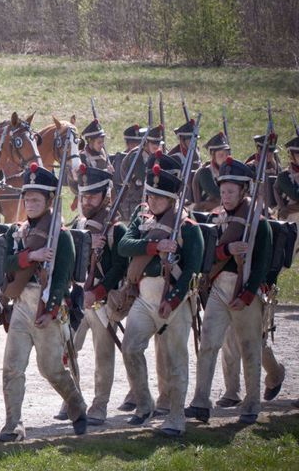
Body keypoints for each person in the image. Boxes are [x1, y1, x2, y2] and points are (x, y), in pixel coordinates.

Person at [0, 162, 87, 442]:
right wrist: (29, 257)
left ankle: (77, 406)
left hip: (47, 306)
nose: (30, 203)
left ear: (49, 201)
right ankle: (13, 425)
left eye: (36, 199)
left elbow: (61, 279)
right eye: (27, 198)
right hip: (22, 304)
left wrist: (51, 309)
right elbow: (4, 265)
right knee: (12, 367)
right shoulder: (17, 233)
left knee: (51, 369)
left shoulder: (62, 237)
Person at [115, 161, 203, 436]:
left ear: (172, 200)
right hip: (144, 296)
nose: (152, 201)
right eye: (150, 196)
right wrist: (154, 245)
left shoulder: (188, 227)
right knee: (130, 348)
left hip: (175, 300)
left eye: (159, 197)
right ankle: (144, 405)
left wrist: (174, 300)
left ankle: (176, 416)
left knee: (176, 360)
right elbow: (123, 246)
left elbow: (192, 269)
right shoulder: (142, 222)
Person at [187, 157, 272, 425]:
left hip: (245, 291)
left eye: (231, 192)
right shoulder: (217, 218)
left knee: (249, 347)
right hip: (219, 289)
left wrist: (246, 295)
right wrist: (226, 250)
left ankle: (252, 401)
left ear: (243, 192)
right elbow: (206, 255)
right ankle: (201, 401)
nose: (225, 196)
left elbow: (263, 263)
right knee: (209, 344)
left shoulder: (258, 222)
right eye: (223, 191)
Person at [70, 164, 129, 425]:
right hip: (79, 299)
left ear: (106, 196)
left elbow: (120, 268)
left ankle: (100, 404)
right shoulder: (78, 226)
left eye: (92, 196)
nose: (86, 201)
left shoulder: (117, 230)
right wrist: (85, 246)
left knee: (103, 354)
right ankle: (72, 398)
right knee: (68, 347)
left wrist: (99, 291)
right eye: (84, 196)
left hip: (103, 301)